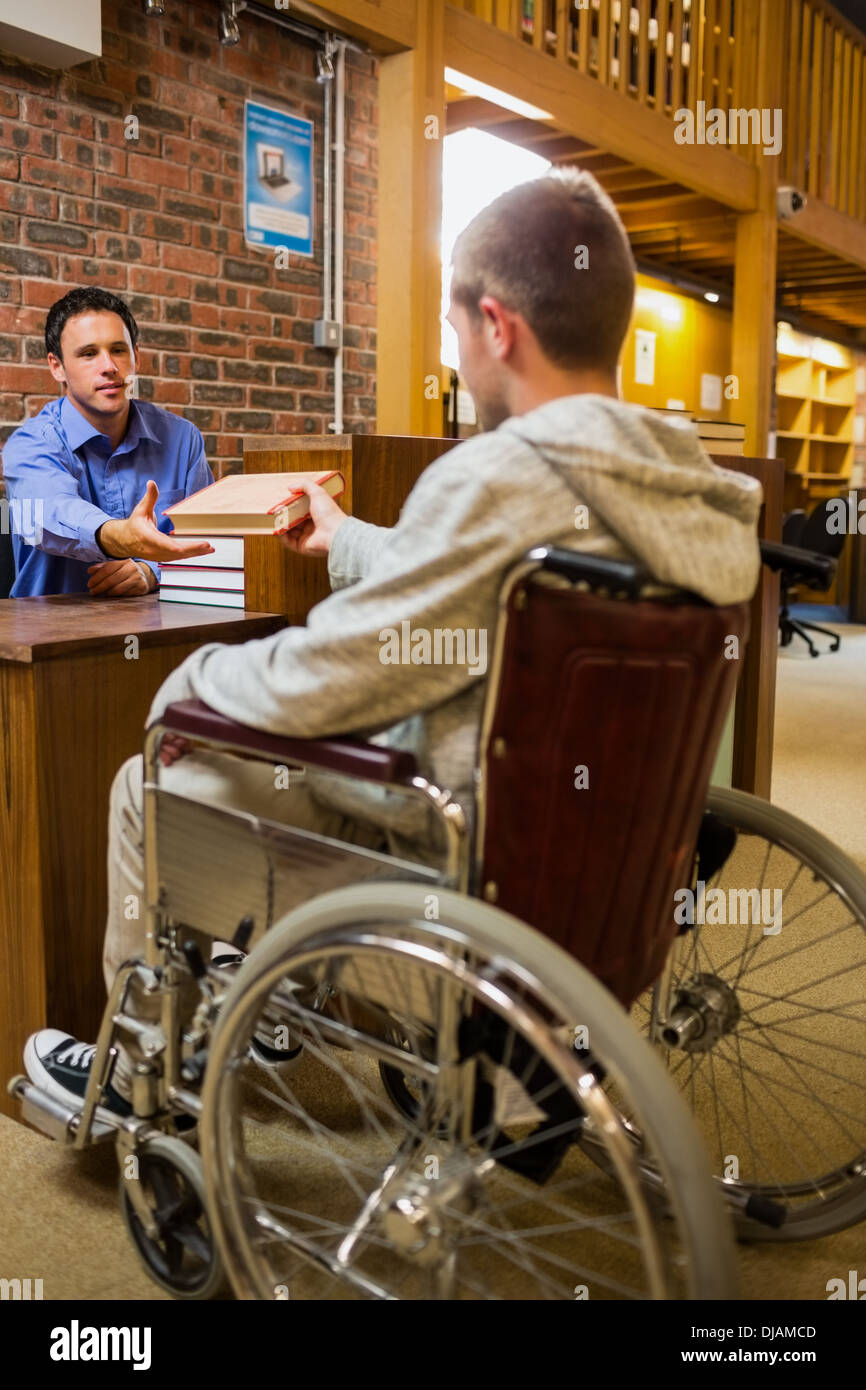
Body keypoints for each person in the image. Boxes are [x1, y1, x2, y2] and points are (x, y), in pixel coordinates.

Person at [23, 168, 763, 1108]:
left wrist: (190, 683)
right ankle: (266, 1009)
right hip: (617, 875)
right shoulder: (698, 489)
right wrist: (350, 540)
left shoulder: (498, 478)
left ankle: (136, 1074)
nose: (457, 357)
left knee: (153, 773)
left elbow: (333, 679)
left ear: (499, 327)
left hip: (455, 873)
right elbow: (499, 575)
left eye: (456, 331)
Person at [1, 286, 214, 598]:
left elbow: (209, 542)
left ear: (135, 357)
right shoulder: (29, 445)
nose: (109, 366)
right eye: (88, 354)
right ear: (57, 366)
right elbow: (47, 517)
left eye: (118, 350)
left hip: (165, 632)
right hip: (52, 637)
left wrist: (152, 571)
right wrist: (122, 536)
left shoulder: (183, 439)